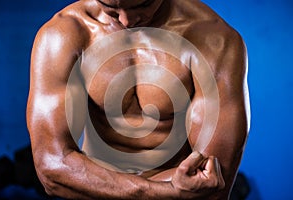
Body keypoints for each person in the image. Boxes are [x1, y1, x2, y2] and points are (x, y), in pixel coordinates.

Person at [26, 0, 250, 199]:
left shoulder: (215, 41)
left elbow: (210, 184)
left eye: (143, 4)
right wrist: (166, 192)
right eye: (112, 8)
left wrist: (95, 186)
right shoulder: (65, 34)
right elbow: (52, 169)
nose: (127, 20)